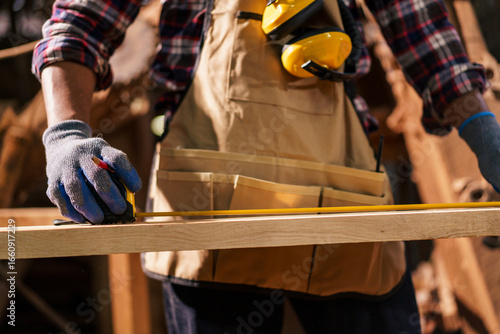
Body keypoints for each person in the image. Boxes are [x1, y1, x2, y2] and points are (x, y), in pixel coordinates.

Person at [32, 0, 498, 332]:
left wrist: (482, 127)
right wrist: (66, 133)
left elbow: (423, 31)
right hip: (206, 229)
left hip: (347, 217)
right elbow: (78, 24)